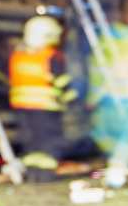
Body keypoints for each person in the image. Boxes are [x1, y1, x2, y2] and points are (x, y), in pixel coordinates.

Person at [8, 16, 77, 167]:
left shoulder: (18, 56)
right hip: (47, 108)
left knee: (30, 140)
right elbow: (61, 81)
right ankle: (45, 170)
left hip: (22, 107)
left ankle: (32, 170)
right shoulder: (51, 56)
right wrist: (72, 99)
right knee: (48, 140)